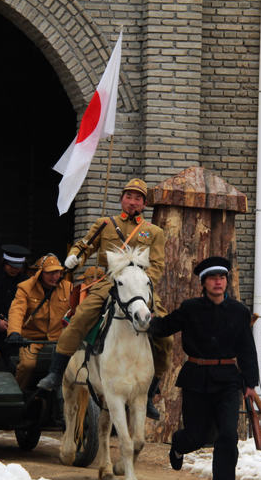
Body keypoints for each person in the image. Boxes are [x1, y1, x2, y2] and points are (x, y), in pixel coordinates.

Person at [37, 178, 172, 420]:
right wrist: (74, 256)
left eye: (138, 198)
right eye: (129, 196)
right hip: (108, 281)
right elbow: (85, 245)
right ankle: (56, 372)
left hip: (139, 287)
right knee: (80, 318)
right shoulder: (105, 224)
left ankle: (150, 392)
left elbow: (158, 265)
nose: (133, 201)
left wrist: (139, 281)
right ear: (122, 199)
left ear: (144, 204)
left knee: (165, 335)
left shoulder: (154, 232)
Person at [148, 256, 260, 480]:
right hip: (196, 379)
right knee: (196, 436)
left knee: (228, 436)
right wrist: (144, 320)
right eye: (212, 278)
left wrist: (251, 383)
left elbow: (247, 348)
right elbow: (165, 327)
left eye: (222, 277)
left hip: (229, 381)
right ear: (204, 283)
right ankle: (178, 445)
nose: (218, 282)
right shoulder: (190, 308)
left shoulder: (239, 312)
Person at [6, 254, 73, 389]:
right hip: (32, 339)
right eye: (50, 273)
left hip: (59, 339)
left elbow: (77, 311)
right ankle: (19, 395)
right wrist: (14, 332)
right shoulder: (25, 288)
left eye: (58, 272)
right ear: (40, 273)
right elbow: (17, 311)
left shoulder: (68, 287)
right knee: (27, 365)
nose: (55, 276)